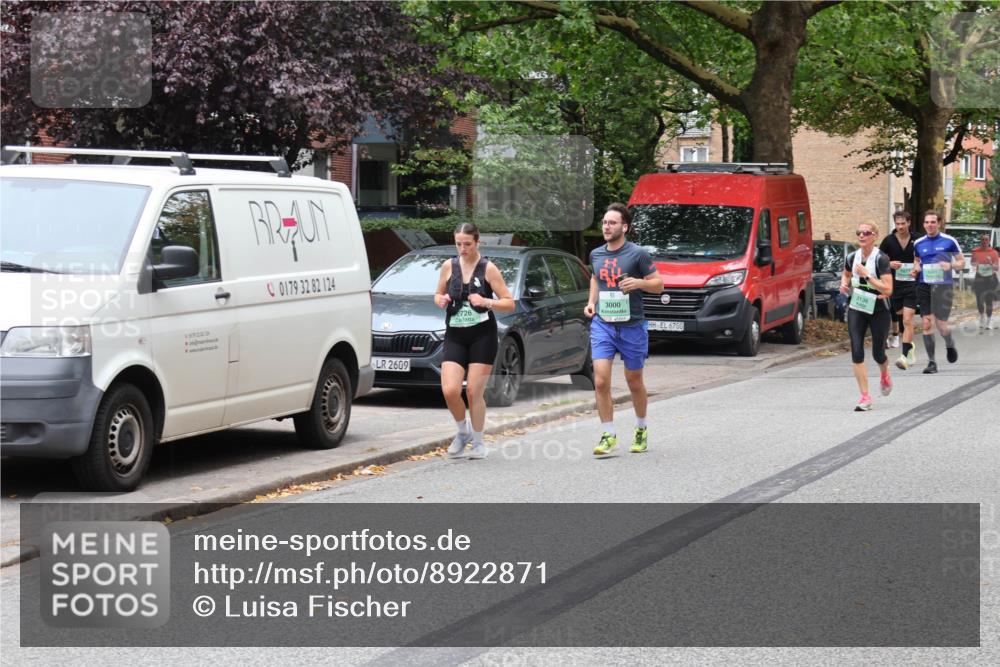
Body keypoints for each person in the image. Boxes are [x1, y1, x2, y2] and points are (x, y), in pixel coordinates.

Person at [585, 203, 663, 455]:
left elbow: (659, 285)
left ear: (625, 227)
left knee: (634, 381)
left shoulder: (638, 254)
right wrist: (591, 302)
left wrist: (639, 283)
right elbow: (595, 277)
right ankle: (608, 434)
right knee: (600, 380)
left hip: (632, 326)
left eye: (612, 223)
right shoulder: (596, 254)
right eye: (604, 223)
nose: (607, 227)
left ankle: (641, 428)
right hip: (603, 324)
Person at [434, 223, 514, 459]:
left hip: (482, 335)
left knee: (473, 392)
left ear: (477, 242)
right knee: (450, 390)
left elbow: (509, 302)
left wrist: (487, 301)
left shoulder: (488, 268)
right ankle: (463, 432)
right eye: (458, 244)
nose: (463, 249)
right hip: (455, 334)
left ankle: (478, 442)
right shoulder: (448, 266)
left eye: (467, 244)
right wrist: (441, 299)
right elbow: (437, 293)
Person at [839, 221, 894, 411]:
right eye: (859, 232)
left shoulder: (881, 259)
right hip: (857, 306)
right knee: (856, 351)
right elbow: (846, 274)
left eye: (866, 233)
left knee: (878, 353)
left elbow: (888, 289)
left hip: (878, 308)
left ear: (875, 236)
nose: (861, 236)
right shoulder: (851, 257)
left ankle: (884, 374)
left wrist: (867, 275)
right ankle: (865, 397)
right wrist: (844, 283)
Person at [913, 211, 965, 374]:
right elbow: (916, 260)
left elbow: (962, 262)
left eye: (933, 222)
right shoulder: (918, 243)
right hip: (925, 285)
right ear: (924, 224)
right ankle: (932, 362)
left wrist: (951, 265)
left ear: (939, 223)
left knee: (942, 326)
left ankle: (949, 343)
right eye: (927, 222)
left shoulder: (949, 241)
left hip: (943, 287)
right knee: (927, 323)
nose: (930, 225)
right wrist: (916, 268)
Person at [878, 211, 918, 369]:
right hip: (895, 285)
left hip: (912, 285)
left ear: (909, 223)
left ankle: (905, 356)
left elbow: (926, 258)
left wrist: (918, 267)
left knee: (908, 319)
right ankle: (910, 348)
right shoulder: (888, 241)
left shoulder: (917, 239)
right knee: (901, 318)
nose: (900, 227)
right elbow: (879, 261)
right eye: (897, 224)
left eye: (903, 223)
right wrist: (889, 264)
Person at [971, 233, 999, 330]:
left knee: (989, 300)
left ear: (989, 241)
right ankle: (982, 316)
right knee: (979, 300)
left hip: (990, 278)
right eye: (983, 240)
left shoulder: (994, 252)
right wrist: (975, 263)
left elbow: (997, 268)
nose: (984, 242)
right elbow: (972, 263)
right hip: (979, 278)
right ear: (980, 241)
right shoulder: (975, 251)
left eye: (986, 240)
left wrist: (991, 263)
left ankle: (989, 320)